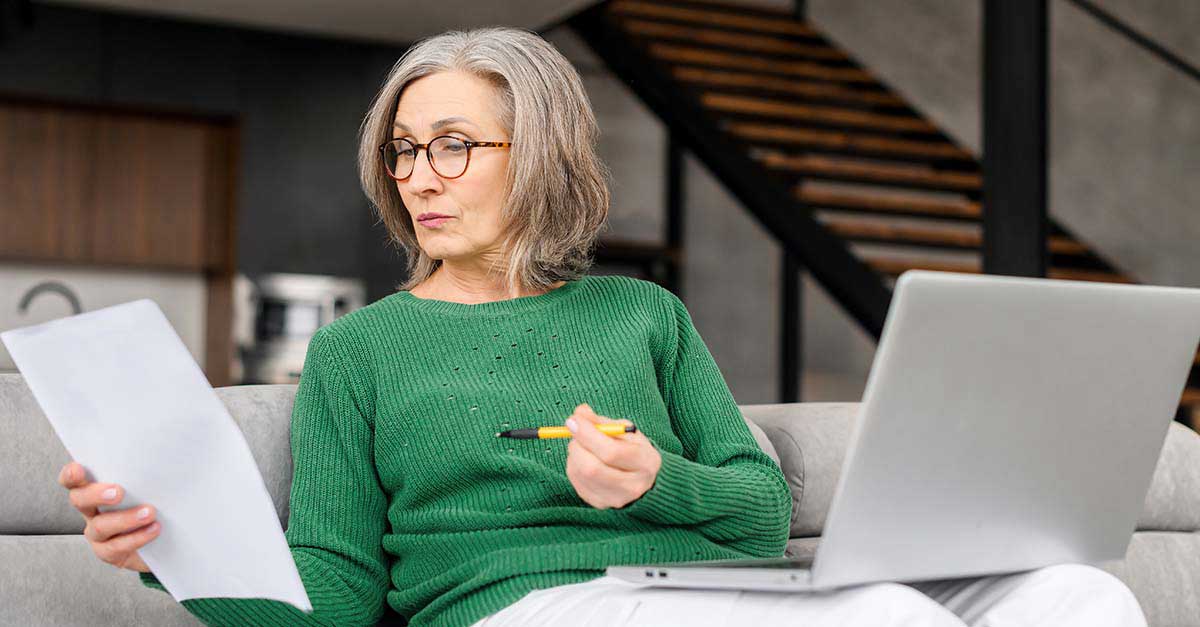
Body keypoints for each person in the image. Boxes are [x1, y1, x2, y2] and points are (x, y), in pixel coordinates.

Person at [56, 26, 1147, 627]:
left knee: (1079, 594)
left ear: (537, 155)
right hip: (528, 611)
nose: (418, 175)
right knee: (890, 621)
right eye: (403, 149)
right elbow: (339, 596)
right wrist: (173, 554)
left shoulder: (641, 313)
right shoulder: (358, 350)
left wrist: (655, 481)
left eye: (453, 145)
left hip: (705, 591)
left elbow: (762, 511)